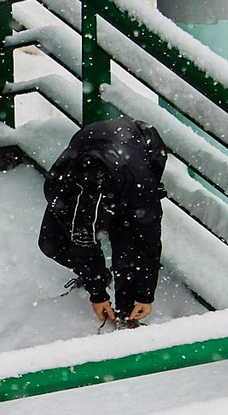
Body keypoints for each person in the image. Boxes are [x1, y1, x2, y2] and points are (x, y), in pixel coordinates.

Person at [38, 114, 168, 329]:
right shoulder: (58, 187)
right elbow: (82, 243)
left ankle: (127, 314)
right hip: (89, 159)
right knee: (50, 243)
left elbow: (149, 244)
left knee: (127, 245)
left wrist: (145, 295)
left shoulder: (139, 188)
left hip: (142, 148)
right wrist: (97, 292)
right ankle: (101, 278)